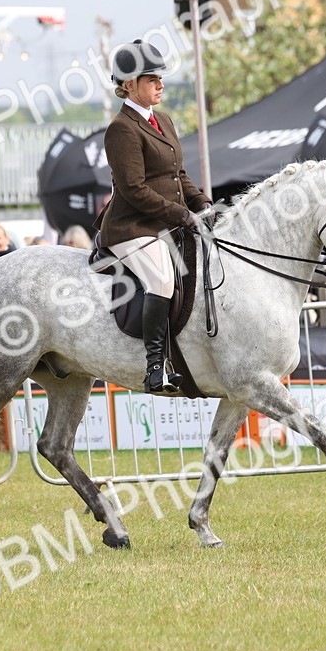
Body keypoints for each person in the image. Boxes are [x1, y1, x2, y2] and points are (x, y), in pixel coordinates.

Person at [94, 39, 213, 394]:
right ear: (129, 85)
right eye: (151, 80)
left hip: (164, 221)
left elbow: (178, 174)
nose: (160, 85)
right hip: (133, 226)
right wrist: (182, 215)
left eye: (160, 79)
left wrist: (203, 204)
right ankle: (156, 368)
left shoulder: (163, 120)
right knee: (162, 279)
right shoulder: (121, 128)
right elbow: (134, 189)